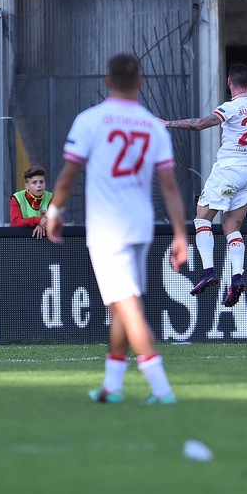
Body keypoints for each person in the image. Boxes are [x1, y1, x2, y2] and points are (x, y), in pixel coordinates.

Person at [46, 53, 187, 405]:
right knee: (124, 306)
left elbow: (67, 176)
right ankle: (113, 385)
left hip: (108, 229)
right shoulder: (153, 125)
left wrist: (54, 211)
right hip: (141, 226)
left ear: (106, 82)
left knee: (126, 307)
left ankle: (161, 388)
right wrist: (182, 234)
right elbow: (169, 186)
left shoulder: (90, 120)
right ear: (140, 83)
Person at [162, 63, 247, 306]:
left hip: (229, 170)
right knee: (232, 228)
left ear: (229, 83)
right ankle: (237, 276)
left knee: (202, 218)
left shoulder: (230, 107)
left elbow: (201, 123)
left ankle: (209, 271)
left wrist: (168, 123)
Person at [10, 165, 53, 238]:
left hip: (47, 241)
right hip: (23, 241)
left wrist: (42, 224)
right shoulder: (17, 198)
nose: (39, 185)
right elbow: (16, 223)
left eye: (41, 182)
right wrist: (38, 221)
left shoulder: (51, 197)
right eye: (34, 182)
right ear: (26, 186)